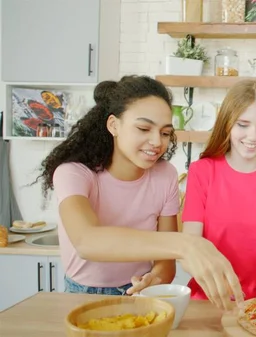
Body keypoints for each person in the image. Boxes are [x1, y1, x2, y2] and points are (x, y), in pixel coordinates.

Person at [34, 75, 243, 310]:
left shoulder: (165, 175)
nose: (156, 141)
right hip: (83, 296)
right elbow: (86, 241)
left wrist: (156, 279)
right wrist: (186, 244)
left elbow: (166, 264)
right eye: (144, 128)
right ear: (113, 125)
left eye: (165, 133)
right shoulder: (75, 174)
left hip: (143, 296)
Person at [181, 79, 256, 301]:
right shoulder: (202, 171)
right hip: (212, 299)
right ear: (227, 123)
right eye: (243, 124)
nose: (253, 136)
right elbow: (190, 247)